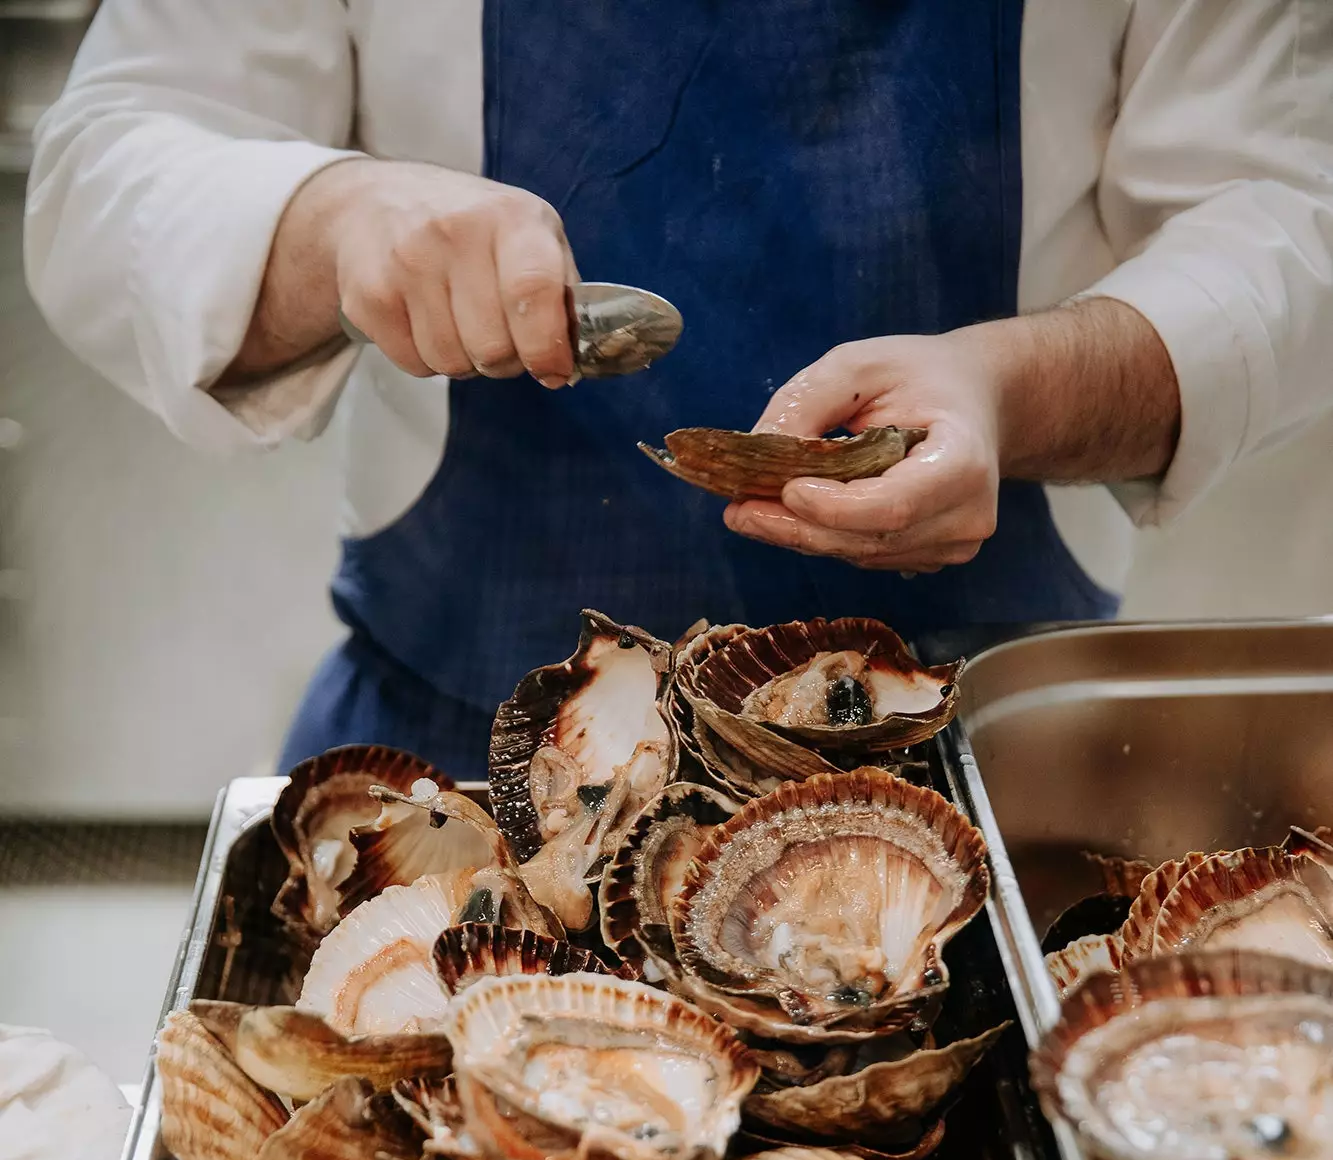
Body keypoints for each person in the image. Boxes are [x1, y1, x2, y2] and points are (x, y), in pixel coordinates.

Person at [24, 2, 1333, 779]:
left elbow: (1287, 213)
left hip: (979, 770)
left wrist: (1020, 390)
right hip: (468, 769)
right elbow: (112, 163)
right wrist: (332, 219)